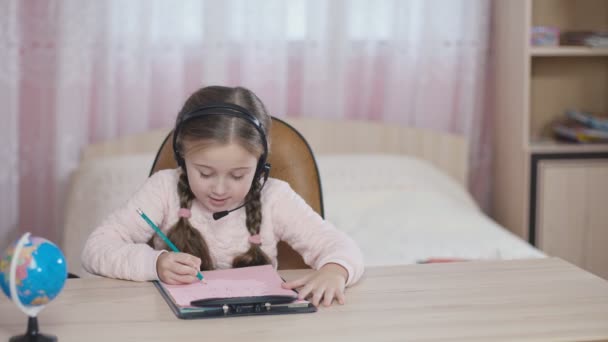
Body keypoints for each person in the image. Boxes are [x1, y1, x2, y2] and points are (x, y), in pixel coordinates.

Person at [82, 85, 364, 307]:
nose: (219, 189)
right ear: (182, 156)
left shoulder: (274, 197)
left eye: (238, 175)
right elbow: (95, 248)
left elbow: (342, 246)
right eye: (204, 173)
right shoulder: (163, 189)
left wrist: (335, 271)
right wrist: (154, 264)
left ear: (260, 163)